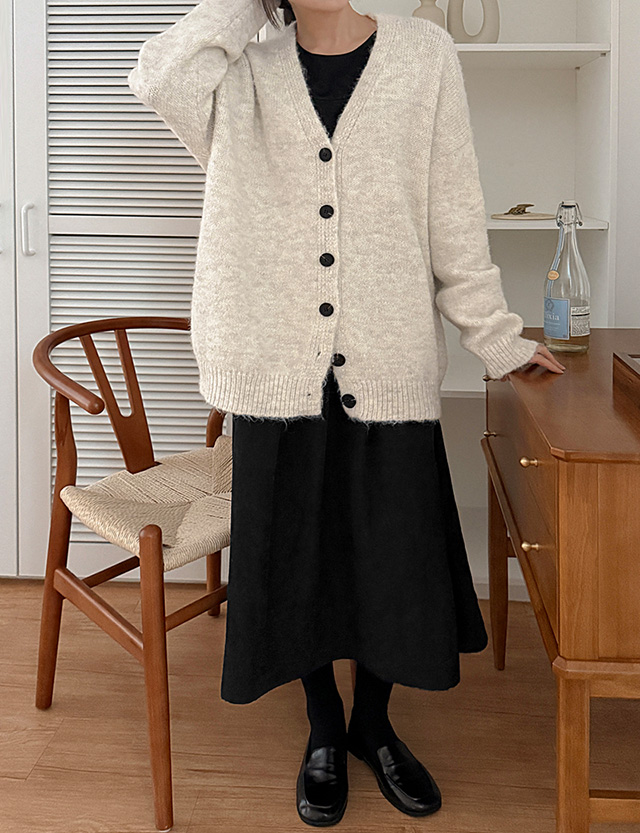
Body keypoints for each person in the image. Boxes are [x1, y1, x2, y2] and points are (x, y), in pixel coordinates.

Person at [128, 0, 565, 826]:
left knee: (390, 554)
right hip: (274, 366)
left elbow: (452, 214)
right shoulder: (240, 74)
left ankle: (375, 725)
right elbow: (157, 76)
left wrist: (497, 337)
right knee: (296, 555)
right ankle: (324, 723)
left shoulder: (425, 57)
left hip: (388, 355)